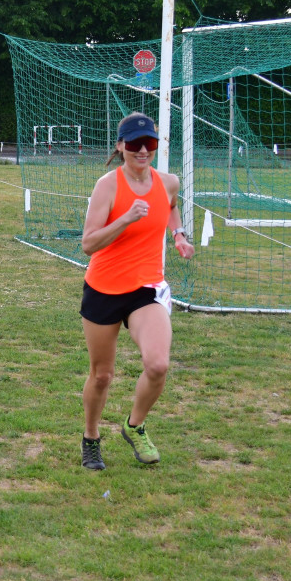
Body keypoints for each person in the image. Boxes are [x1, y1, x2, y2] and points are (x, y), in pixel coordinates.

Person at [78, 112, 194, 470]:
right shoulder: (108, 186)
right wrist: (126, 218)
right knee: (102, 375)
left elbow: (171, 207)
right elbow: (88, 244)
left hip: (146, 288)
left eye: (150, 144)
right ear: (120, 147)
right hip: (104, 288)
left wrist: (178, 235)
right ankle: (91, 437)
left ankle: (135, 425)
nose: (143, 150)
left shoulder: (168, 182)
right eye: (134, 144)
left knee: (157, 365)